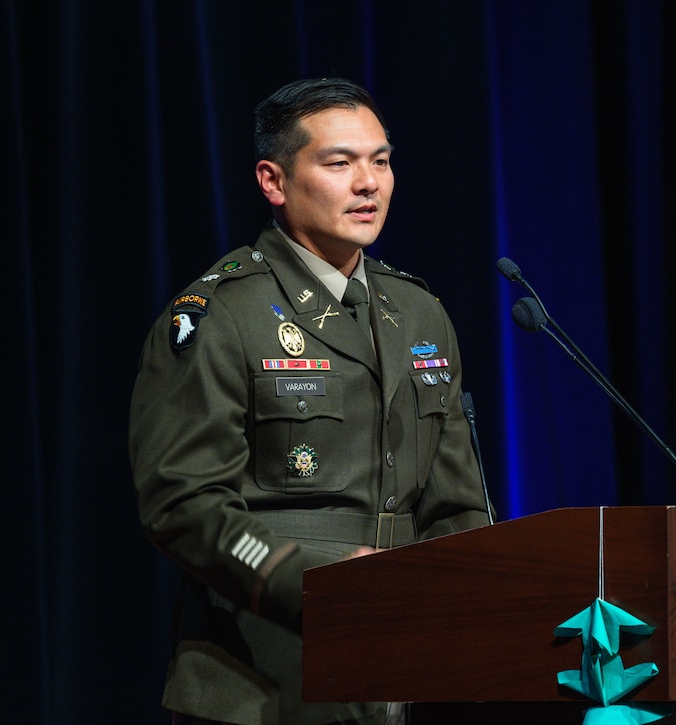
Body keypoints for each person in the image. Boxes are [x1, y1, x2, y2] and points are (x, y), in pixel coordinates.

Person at [129, 77, 494, 725]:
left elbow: (458, 504)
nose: (369, 183)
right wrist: (319, 588)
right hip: (265, 681)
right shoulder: (221, 313)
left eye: (380, 161)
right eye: (339, 163)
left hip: (405, 679)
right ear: (273, 181)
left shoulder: (418, 312)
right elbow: (182, 502)